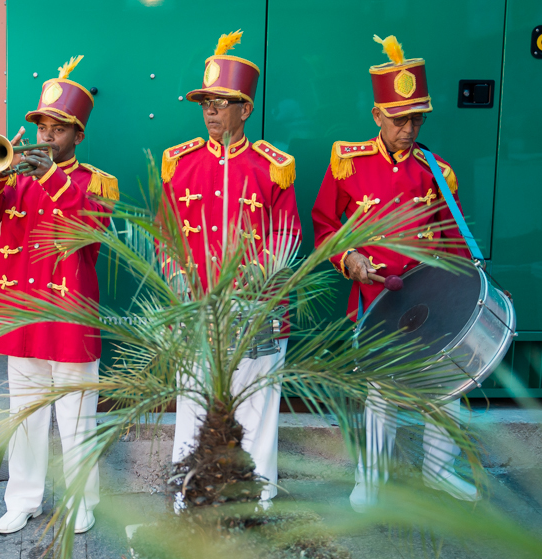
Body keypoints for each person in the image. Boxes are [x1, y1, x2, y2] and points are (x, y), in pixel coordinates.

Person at [311, 34, 477, 512]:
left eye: (417, 119)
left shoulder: (436, 170)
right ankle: (371, 480)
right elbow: (324, 225)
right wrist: (348, 259)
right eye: (399, 119)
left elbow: (454, 241)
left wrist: (462, 290)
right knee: (380, 393)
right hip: (376, 297)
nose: (408, 128)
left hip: (430, 297)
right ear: (377, 116)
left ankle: (439, 470)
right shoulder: (348, 162)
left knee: (444, 386)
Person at [0, 56, 117, 535]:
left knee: (76, 417)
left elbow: (92, 229)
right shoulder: (15, 175)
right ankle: (24, 499)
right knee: (25, 414)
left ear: (79, 136)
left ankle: (82, 501)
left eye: (58, 130)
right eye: (42, 128)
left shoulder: (95, 181)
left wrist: (50, 178)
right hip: (21, 313)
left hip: (69, 316)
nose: (47, 137)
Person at [165, 31, 300, 507]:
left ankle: (256, 502)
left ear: (246, 110)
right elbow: (165, 238)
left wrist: (250, 295)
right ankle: (188, 497)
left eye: (222, 103)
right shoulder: (178, 163)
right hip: (195, 313)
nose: (211, 111)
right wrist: (181, 286)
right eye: (207, 103)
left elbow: (287, 239)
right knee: (192, 408)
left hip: (256, 314)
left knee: (257, 411)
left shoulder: (274, 166)